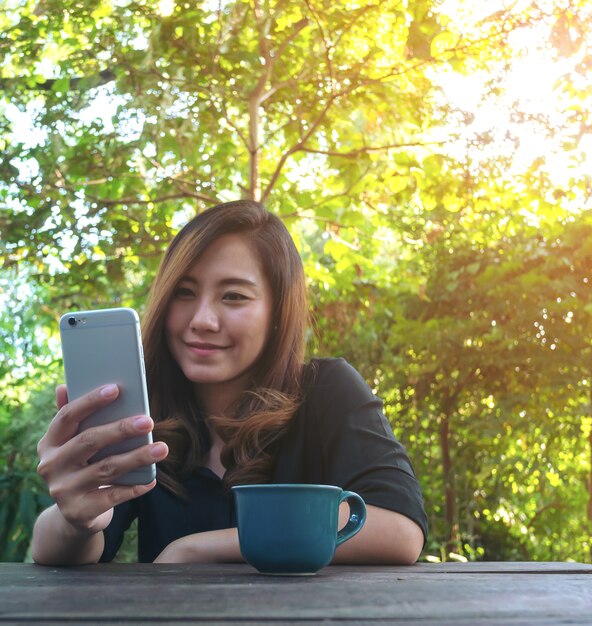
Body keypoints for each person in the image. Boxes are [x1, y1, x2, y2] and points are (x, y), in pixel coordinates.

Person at [32, 199, 428, 565]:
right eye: (184, 292)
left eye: (234, 296)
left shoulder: (328, 389)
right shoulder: (141, 411)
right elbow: (64, 549)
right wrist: (76, 518)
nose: (201, 319)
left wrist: (194, 549)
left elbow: (399, 529)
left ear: (277, 312)